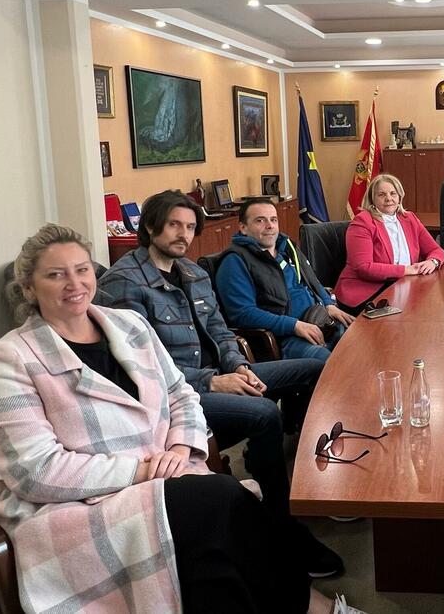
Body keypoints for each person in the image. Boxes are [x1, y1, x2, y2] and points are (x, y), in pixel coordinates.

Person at [0, 224, 365, 614]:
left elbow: (181, 393)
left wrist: (180, 447)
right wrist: (142, 471)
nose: (74, 283)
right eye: (55, 274)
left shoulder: (128, 325)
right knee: (224, 500)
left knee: (213, 546)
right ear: (29, 288)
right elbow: (35, 470)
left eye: (82, 269)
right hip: (74, 505)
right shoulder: (9, 358)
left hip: (166, 472)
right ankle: (318, 608)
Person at [97, 190, 343, 578]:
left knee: (315, 369)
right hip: (176, 394)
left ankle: (298, 476)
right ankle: (281, 525)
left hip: (220, 374)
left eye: (189, 227)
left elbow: (221, 331)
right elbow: (140, 368)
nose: (183, 234)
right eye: (174, 225)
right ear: (151, 227)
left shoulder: (193, 273)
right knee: (264, 414)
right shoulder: (124, 283)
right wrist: (213, 381)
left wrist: (239, 366)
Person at [215, 197, 355, 362]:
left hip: (321, 321)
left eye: (273, 220)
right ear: (243, 228)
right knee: (334, 365)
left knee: (363, 345)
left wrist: (328, 304)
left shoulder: (287, 247)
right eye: (260, 220)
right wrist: (294, 325)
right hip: (287, 338)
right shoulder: (234, 262)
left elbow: (313, 281)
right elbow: (243, 314)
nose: (270, 226)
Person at [334, 173, 444, 312]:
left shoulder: (409, 218)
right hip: (365, 292)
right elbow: (363, 267)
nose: (389, 198)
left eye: (393, 193)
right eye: (381, 194)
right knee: (409, 316)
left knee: (430, 308)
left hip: (403, 284)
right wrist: (406, 270)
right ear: (372, 199)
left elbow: (436, 250)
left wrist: (433, 262)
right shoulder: (362, 222)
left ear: (399, 196)